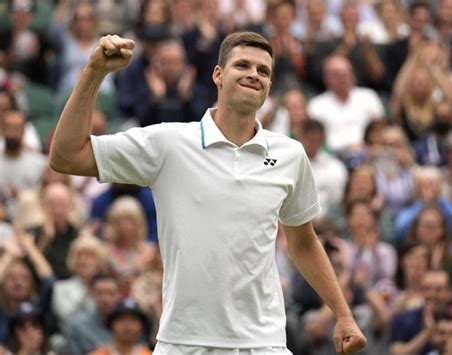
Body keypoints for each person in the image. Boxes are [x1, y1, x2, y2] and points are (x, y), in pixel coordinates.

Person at [49, 31, 366, 354]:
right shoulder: (169, 143)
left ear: (270, 86)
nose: (254, 74)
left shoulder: (290, 154)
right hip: (183, 343)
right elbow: (66, 156)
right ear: (218, 75)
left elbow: (303, 242)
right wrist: (95, 72)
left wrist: (343, 314)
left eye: (263, 71)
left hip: (264, 343)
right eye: (242, 65)